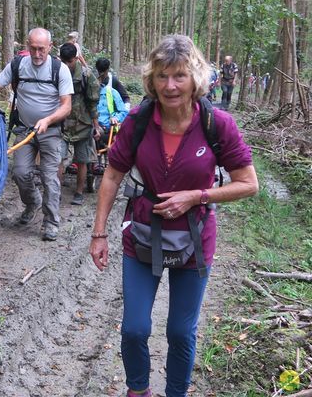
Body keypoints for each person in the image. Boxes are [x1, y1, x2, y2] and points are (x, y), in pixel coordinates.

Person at [89, 35, 258, 397]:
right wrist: (99, 233)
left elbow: (248, 184)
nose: (170, 86)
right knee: (134, 328)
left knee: (181, 332)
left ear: (195, 78)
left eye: (180, 76)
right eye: (162, 76)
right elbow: (112, 175)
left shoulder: (218, 124)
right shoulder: (138, 119)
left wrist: (198, 196)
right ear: (152, 79)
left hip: (195, 241)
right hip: (142, 235)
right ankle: (138, 390)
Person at [0, 28, 73, 241]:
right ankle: (32, 201)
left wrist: (48, 120)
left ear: (50, 48)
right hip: (24, 129)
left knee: (49, 176)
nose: (36, 54)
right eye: (32, 48)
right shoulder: (17, 65)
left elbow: (66, 106)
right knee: (20, 172)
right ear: (27, 45)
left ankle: (51, 222)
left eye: (41, 49)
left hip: (50, 131)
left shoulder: (59, 69)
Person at [58, 42, 100, 206]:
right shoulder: (56, 71)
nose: (67, 65)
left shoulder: (87, 75)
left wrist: (96, 126)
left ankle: (79, 192)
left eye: (70, 61)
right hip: (62, 124)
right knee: (58, 159)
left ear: (76, 58)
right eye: (64, 61)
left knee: (82, 160)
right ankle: (57, 192)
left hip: (83, 125)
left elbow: (93, 103)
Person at [92, 66, 128, 174]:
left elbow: (124, 111)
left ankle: (97, 163)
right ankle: (90, 162)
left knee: (95, 133)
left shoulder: (112, 93)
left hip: (107, 126)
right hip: (91, 125)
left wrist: (116, 118)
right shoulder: (88, 93)